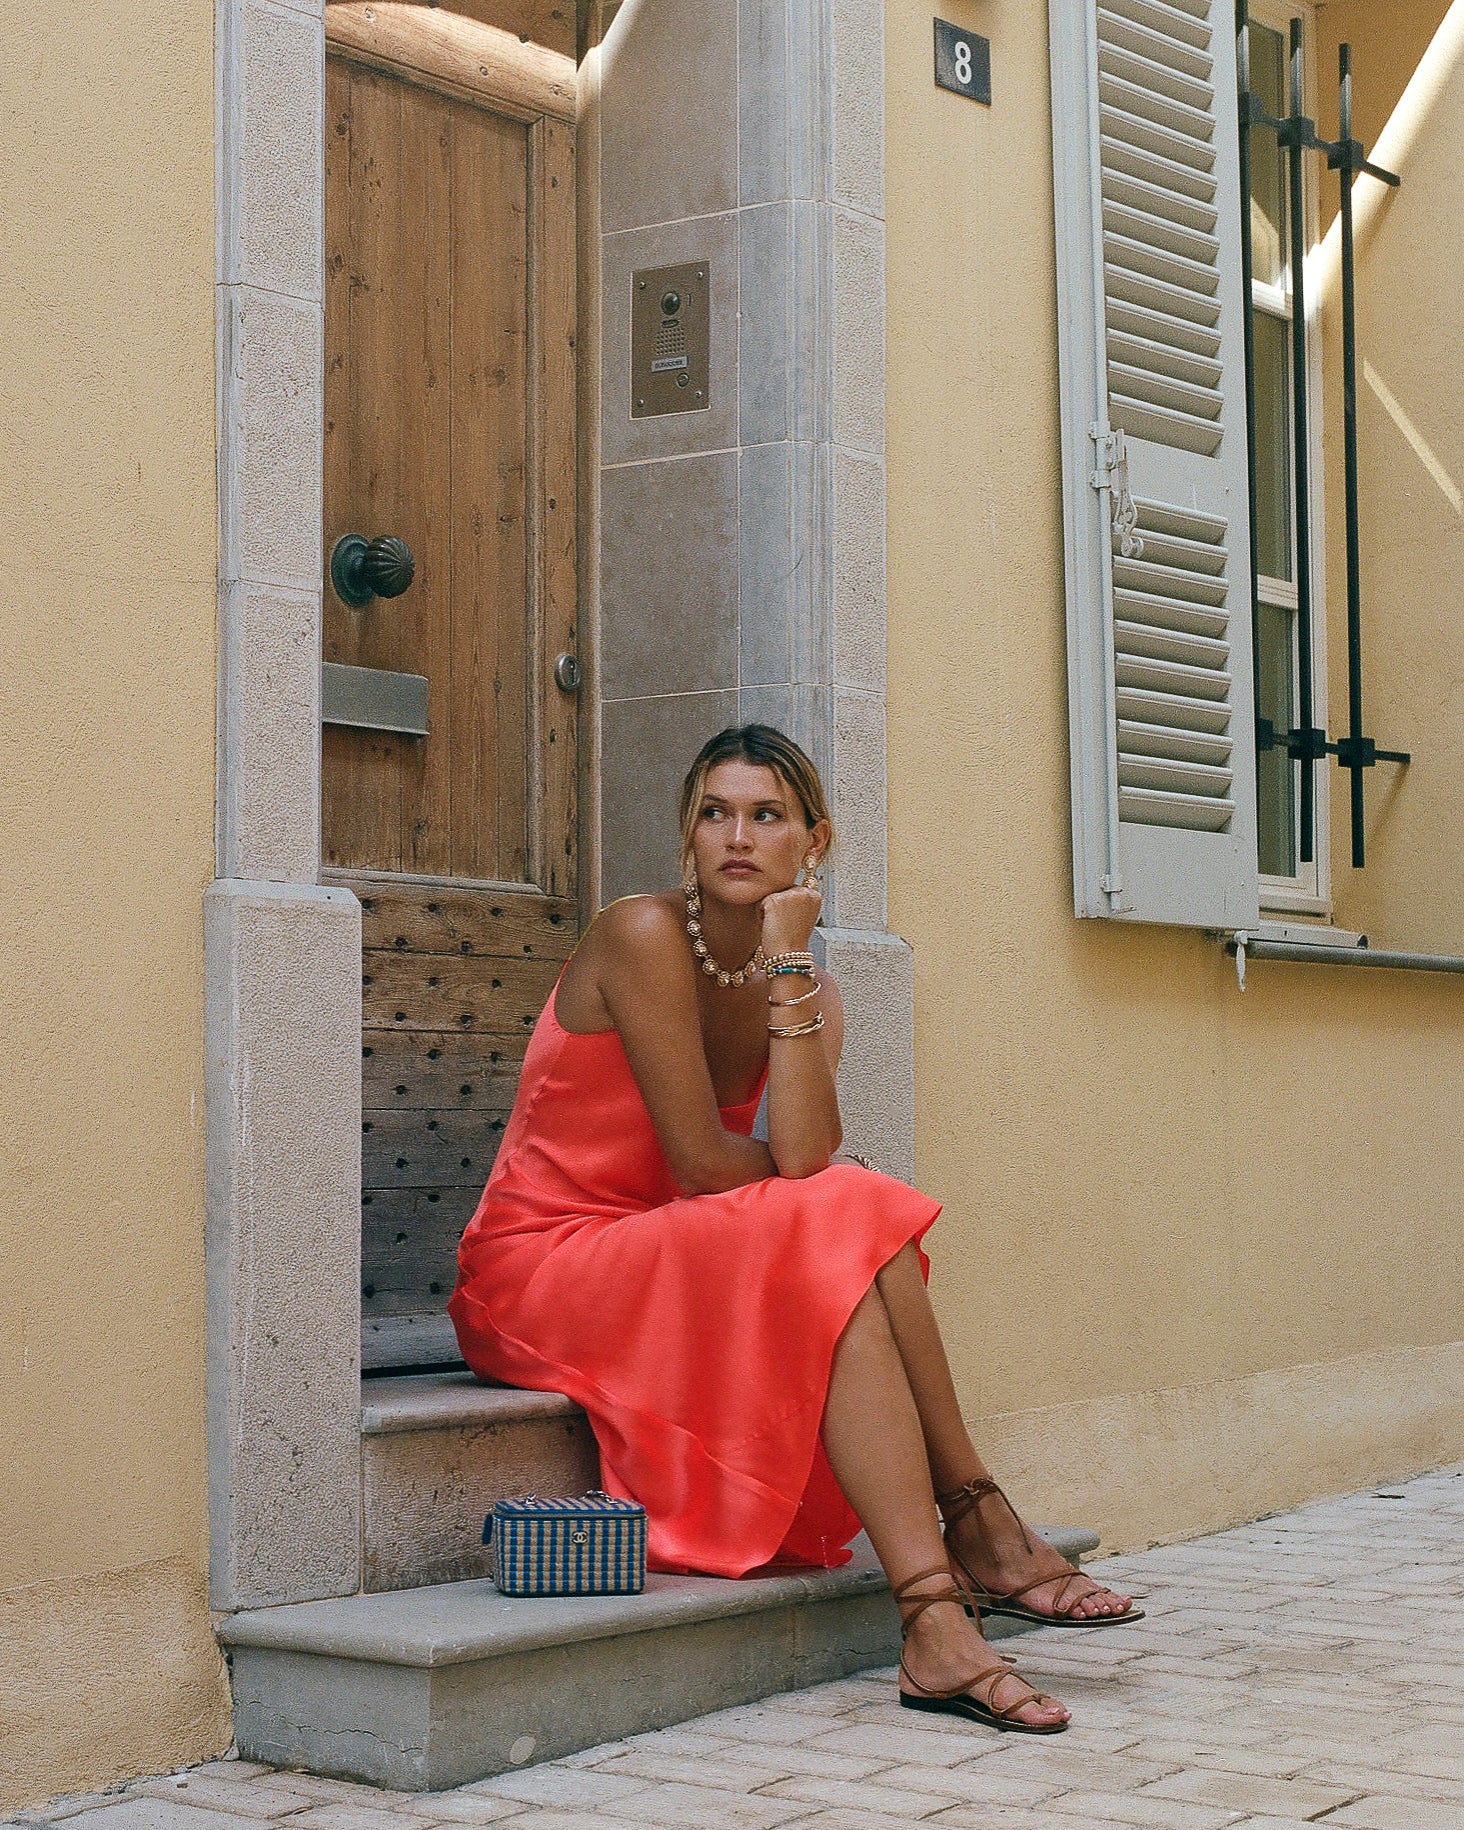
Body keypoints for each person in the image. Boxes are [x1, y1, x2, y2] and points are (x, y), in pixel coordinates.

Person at [449, 725, 1140, 1735]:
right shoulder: (640, 934)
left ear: (814, 841)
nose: (737, 836)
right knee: (849, 1208)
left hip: (673, 1258)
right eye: (713, 814)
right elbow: (703, 1163)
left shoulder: (806, 985)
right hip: (540, 1268)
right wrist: (817, 1188)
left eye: (766, 815)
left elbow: (803, 1159)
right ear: (686, 837)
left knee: (846, 1216)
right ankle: (977, 1525)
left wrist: (786, 964)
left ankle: (938, 1619)